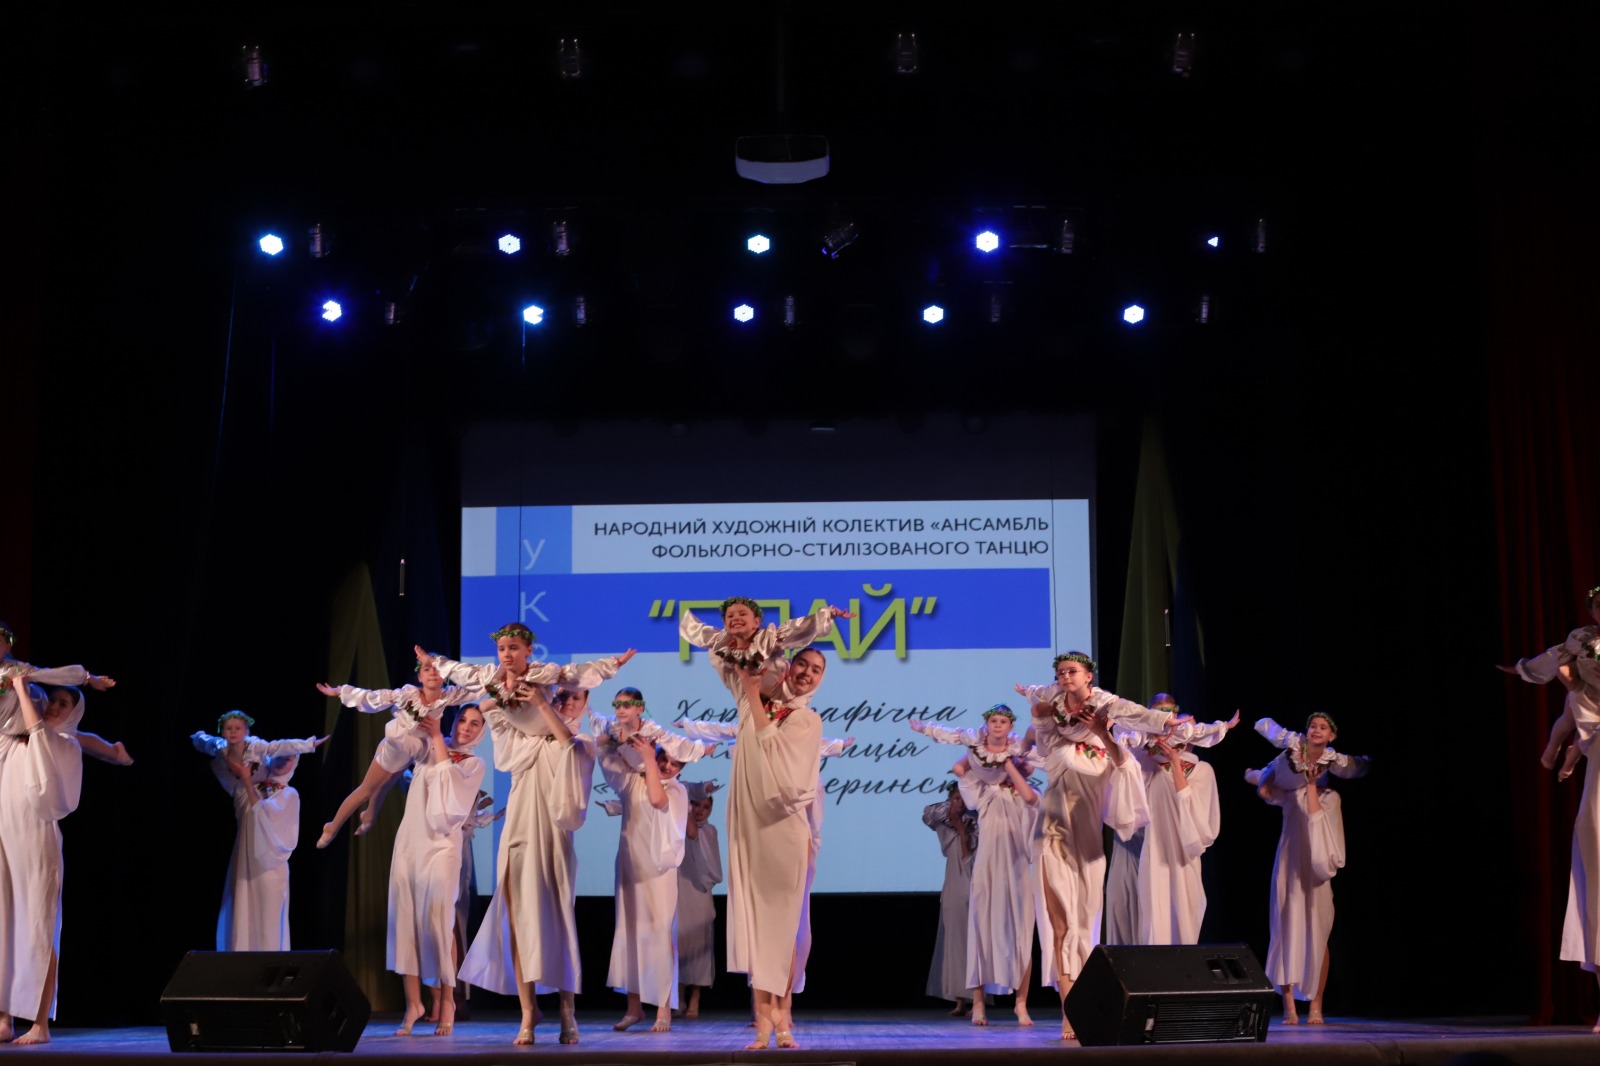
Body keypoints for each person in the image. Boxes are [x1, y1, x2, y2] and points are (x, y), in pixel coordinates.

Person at [457, 680, 597, 1045]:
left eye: (576, 697)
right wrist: (514, 691)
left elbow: (568, 746)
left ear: (586, 703)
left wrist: (543, 706)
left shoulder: (584, 741)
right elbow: (486, 708)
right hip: (518, 830)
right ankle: (528, 1011)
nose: (568, 701)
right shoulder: (523, 735)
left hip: (553, 837)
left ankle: (567, 1009)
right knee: (517, 918)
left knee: (558, 918)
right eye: (562, 695)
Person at [1025, 652, 1155, 1041]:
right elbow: (1043, 728)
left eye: (1073, 671)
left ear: (1089, 678)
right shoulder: (1055, 742)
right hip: (1052, 837)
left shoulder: (1110, 750)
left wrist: (1104, 731)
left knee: (1086, 928)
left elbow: (1125, 767)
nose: (1065, 676)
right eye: (1060, 672)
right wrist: (1041, 708)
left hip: (1089, 847)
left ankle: (1086, 1005)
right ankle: (1070, 1013)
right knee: (1062, 926)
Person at [721, 647, 832, 1050]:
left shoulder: (806, 719)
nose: (807, 672)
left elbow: (776, 758)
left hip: (785, 830)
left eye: (816, 669)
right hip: (753, 827)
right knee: (757, 925)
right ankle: (763, 1020)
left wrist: (752, 694)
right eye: (802, 663)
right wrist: (751, 688)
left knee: (784, 928)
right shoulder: (760, 706)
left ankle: (781, 1016)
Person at [0, 682, 108, 1044]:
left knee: (40, 927)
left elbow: (39, 734)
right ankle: (4, 1018)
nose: (54, 707)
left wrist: (20, 684)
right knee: (6, 925)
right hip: (7, 836)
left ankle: (40, 1024)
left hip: (37, 840)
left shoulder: (64, 744)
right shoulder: (15, 740)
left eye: (64, 704)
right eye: (53, 700)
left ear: (74, 714)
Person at [1245, 712, 1369, 1024]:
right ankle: (1289, 1008)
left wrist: (1311, 785)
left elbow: (1316, 820)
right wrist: (1261, 775)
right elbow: (1265, 791)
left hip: (1316, 874)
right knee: (1286, 931)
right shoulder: (1292, 794)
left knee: (1318, 936)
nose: (1316, 730)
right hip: (1289, 869)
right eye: (1313, 726)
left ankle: (1316, 1005)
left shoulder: (1330, 797)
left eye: (1323, 727)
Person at [933, 706, 1040, 1027]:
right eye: (993, 721)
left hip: (1016, 869)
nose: (998, 725)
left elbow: (1030, 798)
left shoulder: (1026, 793)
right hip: (988, 869)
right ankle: (978, 1003)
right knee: (980, 929)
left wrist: (1008, 761)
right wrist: (982, 752)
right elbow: (960, 769)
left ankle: (1021, 1003)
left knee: (1022, 933)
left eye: (1003, 722)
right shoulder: (983, 792)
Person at [191, 712, 327, 952]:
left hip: (269, 867)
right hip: (247, 859)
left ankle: (269, 964)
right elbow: (223, 755)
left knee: (267, 918)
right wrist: (203, 740)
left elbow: (260, 812)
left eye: (289, 759)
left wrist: (308, 744)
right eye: (280, 758)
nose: (283, 761)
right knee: (243, 907)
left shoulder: (289, 794)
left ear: (294, 764)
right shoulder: (250, 785)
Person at [388, 704, 486, 1037]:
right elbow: (397, 746)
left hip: (444, 844)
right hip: (413, 837)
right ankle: (413, 1003)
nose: (466, 727)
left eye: (475, 724)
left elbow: (448, 785)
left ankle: (447, 1001)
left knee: (441, 923)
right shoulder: (429, 746)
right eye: (462, 720)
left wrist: (434, 737)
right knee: (407, 919)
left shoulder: (473, 763)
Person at [1107, 696, 1238, 945]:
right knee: (1154, 919)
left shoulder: (1202, 770)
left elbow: (1198, 818)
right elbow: (1124, 749)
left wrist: (1176, 764)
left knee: (1184, 918)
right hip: (1154, 854)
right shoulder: (1146, 764)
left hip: (1183, 856)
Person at [314, 660, 483, 847]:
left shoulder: (447, 696)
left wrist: (499, 680)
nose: (433, 673)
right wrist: (340, 691)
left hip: (411, 750)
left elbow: (474, 689)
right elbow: (375, 697)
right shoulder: (408, 694)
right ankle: (331, 827)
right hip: (396, 746)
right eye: (427, 669)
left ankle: (369, 816)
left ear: (444, 676)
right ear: (420, 676)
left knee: (384, 787)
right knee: (366, 791)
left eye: (437, 669)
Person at [601, 734, 690, 1033]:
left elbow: (658, 800)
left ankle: (663, 1007)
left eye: (675, 764)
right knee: (630, 933)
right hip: (630, 866)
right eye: (663, 758)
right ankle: (634, 1007)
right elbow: (608, 761)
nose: (667, 766)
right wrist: (615, 736)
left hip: (658, 872)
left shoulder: (677, 791)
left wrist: (649, 760)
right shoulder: (633, 781)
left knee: (660, 934)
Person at [416, 624, 634, 740]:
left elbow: (576, 674)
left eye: (513, 648)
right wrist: (432, 662)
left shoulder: (540, 674)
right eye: (502, 649)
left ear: (528, 650)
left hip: (549, 737)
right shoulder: (492, 677)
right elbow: (461, 671)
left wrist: (614, 664)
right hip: (520, 739)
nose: (506, 654)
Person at [1498, 585, 1600, 781]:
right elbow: (1555, 657)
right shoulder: (1583, 637)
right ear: (1591, 610)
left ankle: (1569, 761)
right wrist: (1522, 668)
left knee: (1589, 733)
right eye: (1598, 605)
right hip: (1582, 690)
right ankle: (1552, 749)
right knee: (1568, 720)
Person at [0, 621, 115, 737]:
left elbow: (50, 674)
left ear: (7, 647)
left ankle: (113, 747)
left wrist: (88, 677)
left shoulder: (11, 670)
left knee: (71, 736)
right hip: (6, 732)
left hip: (30, 717)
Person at [923, 780, 978, 1016]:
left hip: (970, 884)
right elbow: (927, 815)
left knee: (970, 943)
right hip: (952, 886)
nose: (960, 803)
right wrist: (952, 812)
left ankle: (976, 1000)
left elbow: (968, 859)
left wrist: (962, 829)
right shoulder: (945, 824)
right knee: (954, 943)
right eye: (956, 799)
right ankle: (959, 1000)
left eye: (963, 799)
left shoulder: (974, 824)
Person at [677, 781, 722, 1019]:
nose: (700, 810)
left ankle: (695, 997)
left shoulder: (709, 831)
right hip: (679, 891)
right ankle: (679, 996)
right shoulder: (676, 827)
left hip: (700, 893)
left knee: (699, 946)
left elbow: (695, 837)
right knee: (678, 942)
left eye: (706, 807)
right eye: (696, 805)